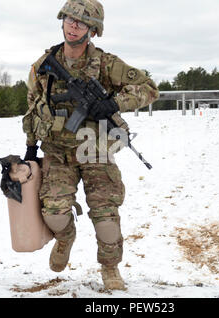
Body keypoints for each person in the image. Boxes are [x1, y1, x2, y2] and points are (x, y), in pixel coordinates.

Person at [22, 0, 159, 290]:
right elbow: (33, 108)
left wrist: (114, 102)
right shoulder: (43, 66)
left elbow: (149, 88)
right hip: (57, 152)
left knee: (106, 216)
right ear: (62, 21)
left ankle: (110, 269)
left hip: (95, 149)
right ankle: (65, 237)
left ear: (93, 30)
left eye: (81, 23)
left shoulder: (107, 64)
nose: (73, 26)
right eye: (70, 20)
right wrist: (31, 149)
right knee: (54, 214)